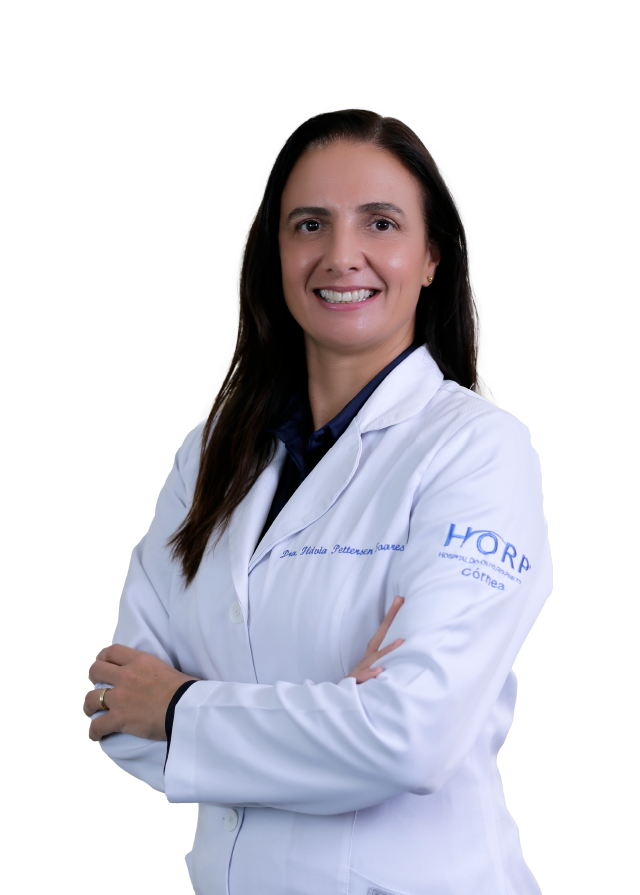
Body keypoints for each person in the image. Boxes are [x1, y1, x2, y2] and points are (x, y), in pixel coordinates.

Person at [84, 108, 552, 895]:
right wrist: (335, 717)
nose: (341, 255)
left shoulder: (477, 453)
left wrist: (185, 707)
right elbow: (118, 710)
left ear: (431, 256)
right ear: (274, 254)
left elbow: (411, 738)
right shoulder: (212, 454)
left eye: (381, 223)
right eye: (309, 224)